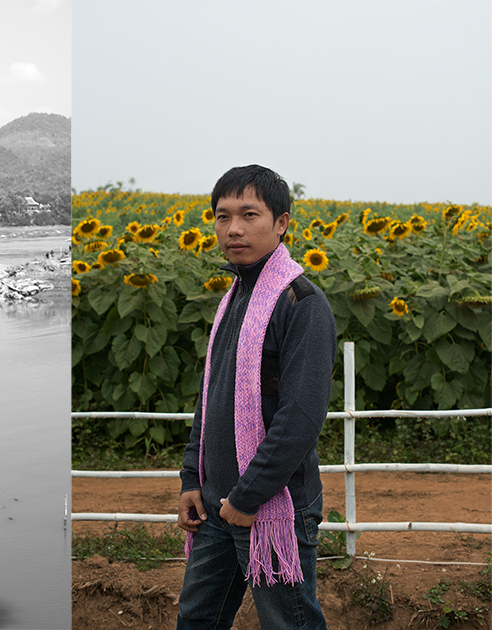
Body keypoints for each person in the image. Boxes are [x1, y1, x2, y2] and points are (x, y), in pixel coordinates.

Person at [176, 165, 336, 629]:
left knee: (290, 624)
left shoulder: (301, 304)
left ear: (281, 223)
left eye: (249, 214)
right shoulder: (233, 297)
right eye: (222, 217)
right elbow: (210, 399)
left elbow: (301, 419)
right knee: (196, 620)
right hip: (215, 505)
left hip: (270, 507)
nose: (234, 229)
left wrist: (246, 499)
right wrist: (191, 477)